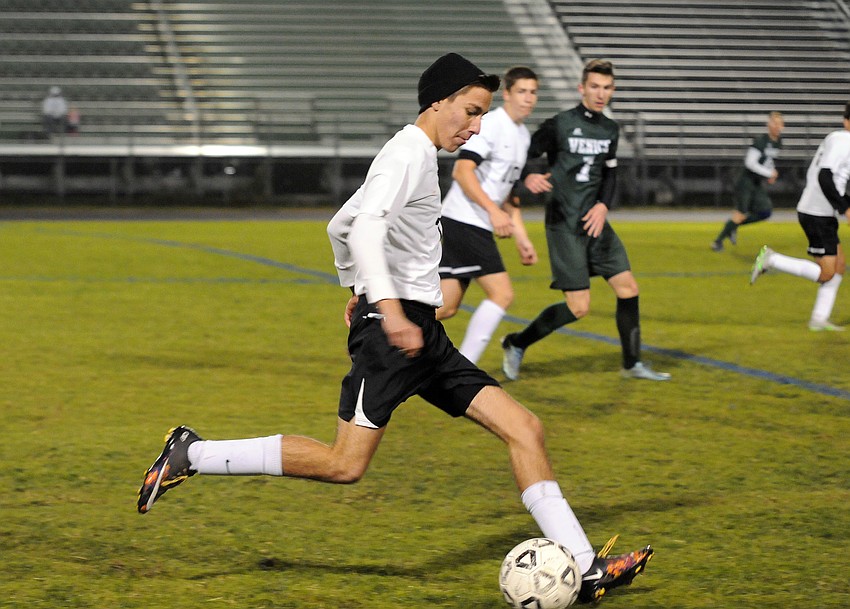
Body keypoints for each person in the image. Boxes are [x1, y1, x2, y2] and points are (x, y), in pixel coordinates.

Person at [136, 53, 653, 603]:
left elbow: (340, 224)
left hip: (422, 334)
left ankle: (584, 568)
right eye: (471, 111)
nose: (477, 126)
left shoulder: (417, 154)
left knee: (525, 428)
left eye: (483, 114)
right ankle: (192, 454)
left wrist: (356, 288)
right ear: (439, 102)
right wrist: (383, 305)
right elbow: (362, 230)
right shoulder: (405, 154)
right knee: (344, 464)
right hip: (393, 335)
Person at [501, 59, 670, 382]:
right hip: (564, 223)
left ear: (613, 90)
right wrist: (528, 175)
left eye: (606, 87)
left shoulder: (610, 129)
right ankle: (517, 342)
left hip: (595, 222)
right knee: (579, 307)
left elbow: (610, 174)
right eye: (594, 86)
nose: (600, 93)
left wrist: (604, 205)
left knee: (628, 288)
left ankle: (632, 364)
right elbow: (522, 153)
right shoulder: (560, 124)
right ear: (582, 88)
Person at [436, 66, 540, 364]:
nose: (528, 98)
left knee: (446, 307)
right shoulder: (492, 124)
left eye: (533, 92)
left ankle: (382, 331)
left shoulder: (523, 135)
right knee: (502, 294)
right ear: (507, 94)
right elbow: (462, 171)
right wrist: (493, 212)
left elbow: (506, 193)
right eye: (521, 91)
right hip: (465, 220)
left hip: (469, 222)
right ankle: (465, 368)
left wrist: (522, 238)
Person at [750, 101, 850, 331]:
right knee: (827, 273)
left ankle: (818, 320)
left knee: (839, 266)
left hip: (819, 211)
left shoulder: (837, 138)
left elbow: (833, 180)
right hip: (817, 214)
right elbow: (825, 177)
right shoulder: (845, 141)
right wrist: (844, 209)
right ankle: (771, 259)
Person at [711, 112, 785, 252]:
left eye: (778, 123)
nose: (776, 126)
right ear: (768, 125)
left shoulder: (778, 142)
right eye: (773, 123)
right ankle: (718, 242)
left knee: (765, 212)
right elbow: (750, 163)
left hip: (757, 182)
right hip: (746, 181)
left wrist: (771, 171)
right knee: (741, 213)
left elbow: (768, 160)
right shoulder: (760, 141)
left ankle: (732, 226)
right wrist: (769, 173)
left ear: (783, 126)